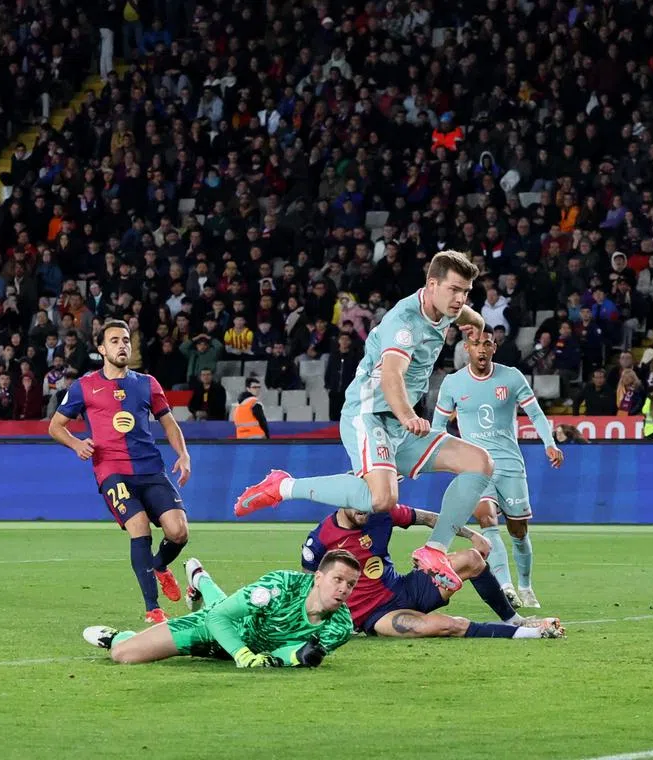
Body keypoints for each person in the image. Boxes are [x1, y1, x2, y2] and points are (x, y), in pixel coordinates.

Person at [234, 251, 494, 593]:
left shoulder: (447, 308)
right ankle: (283, 486)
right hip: (369, 415)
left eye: (466, 291)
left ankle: (434, 549)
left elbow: (467, 314)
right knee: (382, 500)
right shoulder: (404, 322)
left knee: (479, 463)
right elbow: (391, 376)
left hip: (400, 425)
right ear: (432, 285)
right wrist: (408, 416)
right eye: (455, 290)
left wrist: (474, 321)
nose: (460, 298)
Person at [48, 319, 193, 624]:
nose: (122, 345)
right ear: (101, 349)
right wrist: (76, 444)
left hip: (151, 468)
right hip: (112, 470)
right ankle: (153, 609)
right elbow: (55, 426)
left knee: (178, 532)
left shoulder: (147, 383)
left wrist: (183, 454)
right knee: (138, 525)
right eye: (114, 341)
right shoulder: (85, 386)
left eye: (126, 340)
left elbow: (168, 422)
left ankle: (158, 566)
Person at [432, 329, 564, 609]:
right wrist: (438, 457)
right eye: (476, 344)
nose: (481, 349)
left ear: (494, 348)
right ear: (466, 347)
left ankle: (525, 586)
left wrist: (549, 443)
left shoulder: (512, 377)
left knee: (518, 531)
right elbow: (437, 428)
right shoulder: (453, 383)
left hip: (509, 465)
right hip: (475, 465)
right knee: (486, 519)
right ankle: (505, 587)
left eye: (487, 344)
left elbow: (536, 413)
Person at [302, 506, 564, 639]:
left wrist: (473, 535)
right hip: (376, 616)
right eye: (357, 504)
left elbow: (428, 518)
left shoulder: (380, 512)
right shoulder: (321, 539)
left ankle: (513, 619)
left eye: (367, 503)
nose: (364, 510)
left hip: (404, 587)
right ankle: (530, 633)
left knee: (472, 559)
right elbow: (310, 583)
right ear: (342, 500)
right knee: (449, 625)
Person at [82, 553, 359, 667]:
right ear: (318, 578)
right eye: (338, 579)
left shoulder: (341, 626)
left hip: (251, 651)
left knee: (224, 605)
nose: (344, 589)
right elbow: (218, 617)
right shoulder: (278, 587)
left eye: (351, 584)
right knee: (124, 655)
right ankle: (118, 636)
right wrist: (241, 654)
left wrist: (283, 659)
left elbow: (301, 655)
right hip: (217, 629)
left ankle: (200, 579)